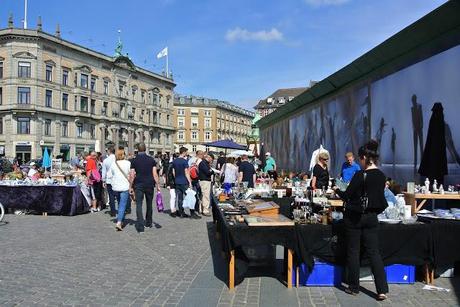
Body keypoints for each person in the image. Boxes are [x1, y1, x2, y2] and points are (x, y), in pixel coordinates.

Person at [334, 140, 389, 300]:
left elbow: (348, 195)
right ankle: (382, 289)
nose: (359, 161)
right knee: (374, 253)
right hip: (372, 218)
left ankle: (353, 286)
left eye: (360, 159)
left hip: (355, 218)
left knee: (353, 252)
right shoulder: (381, 175)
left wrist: (337, 190)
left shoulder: (360, 175)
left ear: (365, 157)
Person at [129, 143, 161, 233]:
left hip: (138, 184)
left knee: (139, 204)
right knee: (149, 203)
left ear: (137, 149)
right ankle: (149, 222)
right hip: (149, 184)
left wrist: (130, 186)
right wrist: (158, 185)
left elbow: (132, 174)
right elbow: (155, 173)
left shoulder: (134, 160)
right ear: (145, 149)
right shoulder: (151, 160)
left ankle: (140, 226)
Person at [172, 147, 198, 218]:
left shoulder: (175, 161)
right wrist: (190, 182)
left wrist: (176, 178)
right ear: (183, 152)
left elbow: (173, 172)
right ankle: (192, 213)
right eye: (186, 152)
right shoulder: (184, 161)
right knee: (191, 196)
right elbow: (186, 172)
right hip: (184, 181)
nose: (187, 153)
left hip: (177, 181)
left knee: (180, 198)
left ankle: (181, 212)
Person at [110, 148, 131, 231]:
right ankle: (119, 222)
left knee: (119, 203)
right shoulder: (128, 163)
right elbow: (130, 173)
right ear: (123, 155)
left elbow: (111, 175)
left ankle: (121, 219)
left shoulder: (113, 164)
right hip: (125, 186)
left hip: (115, 186)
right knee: (122, 204)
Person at [102, 146, 116, 217]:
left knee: (111, 196)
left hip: (109, 180)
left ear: (109, 151)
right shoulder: (117, 159)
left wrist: (103, 181)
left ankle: (113, 211)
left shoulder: (106, 160)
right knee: (119, 195)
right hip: (117, 180)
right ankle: (121, 210)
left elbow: (104, 172)